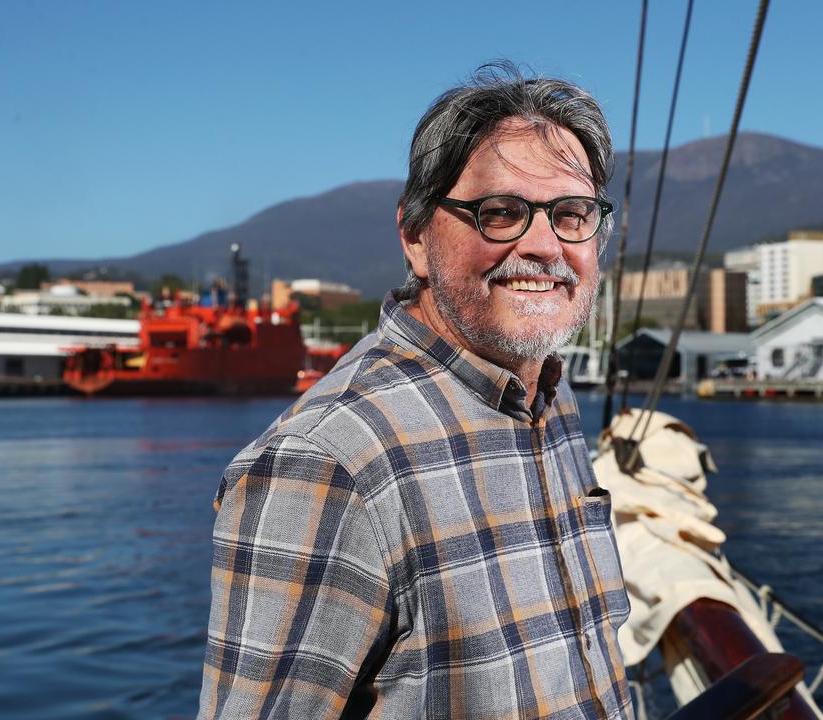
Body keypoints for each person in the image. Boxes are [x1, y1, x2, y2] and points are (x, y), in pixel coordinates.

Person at [199, 64, 631, 719]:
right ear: (416, 237)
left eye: (572, 215)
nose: (545, 247)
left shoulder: (546, 396)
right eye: (501, 213)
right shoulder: (327, 463)